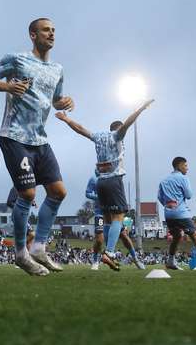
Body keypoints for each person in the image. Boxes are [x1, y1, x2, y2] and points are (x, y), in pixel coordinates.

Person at [0, 18, 74, 276]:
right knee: (28, 195)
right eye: (46, 30)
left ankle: (39, 248)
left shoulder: (58, 69)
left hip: (40, 139)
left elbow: (54, 101)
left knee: (58, 191)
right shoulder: (17, 59)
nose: (52, 33)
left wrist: (64, 102)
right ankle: (21, 253)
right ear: (33, 35)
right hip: (14, 136)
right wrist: (7, 86)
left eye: (54, 30)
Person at [55, 99, 153, 271]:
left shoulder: (99, 136)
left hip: (100, 182)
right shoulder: (117, 136)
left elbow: (81, 130)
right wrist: (141, 109)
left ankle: (107, 253)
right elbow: (128, 123)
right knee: (118, 218)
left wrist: (66, 120)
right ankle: (109, 253)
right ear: (118, 129)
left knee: (108, 221)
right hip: (114, 181)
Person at [157, 157, 196, 271]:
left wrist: (168, 205)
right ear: (179, 166)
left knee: (177, 236)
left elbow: (160, 198)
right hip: (181, 213)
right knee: (195, 236)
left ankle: (170, 261)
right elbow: (189, 195)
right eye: (185, 165)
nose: (187, 168)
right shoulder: (183, 178)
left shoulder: (163, 181)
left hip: (168, 214)